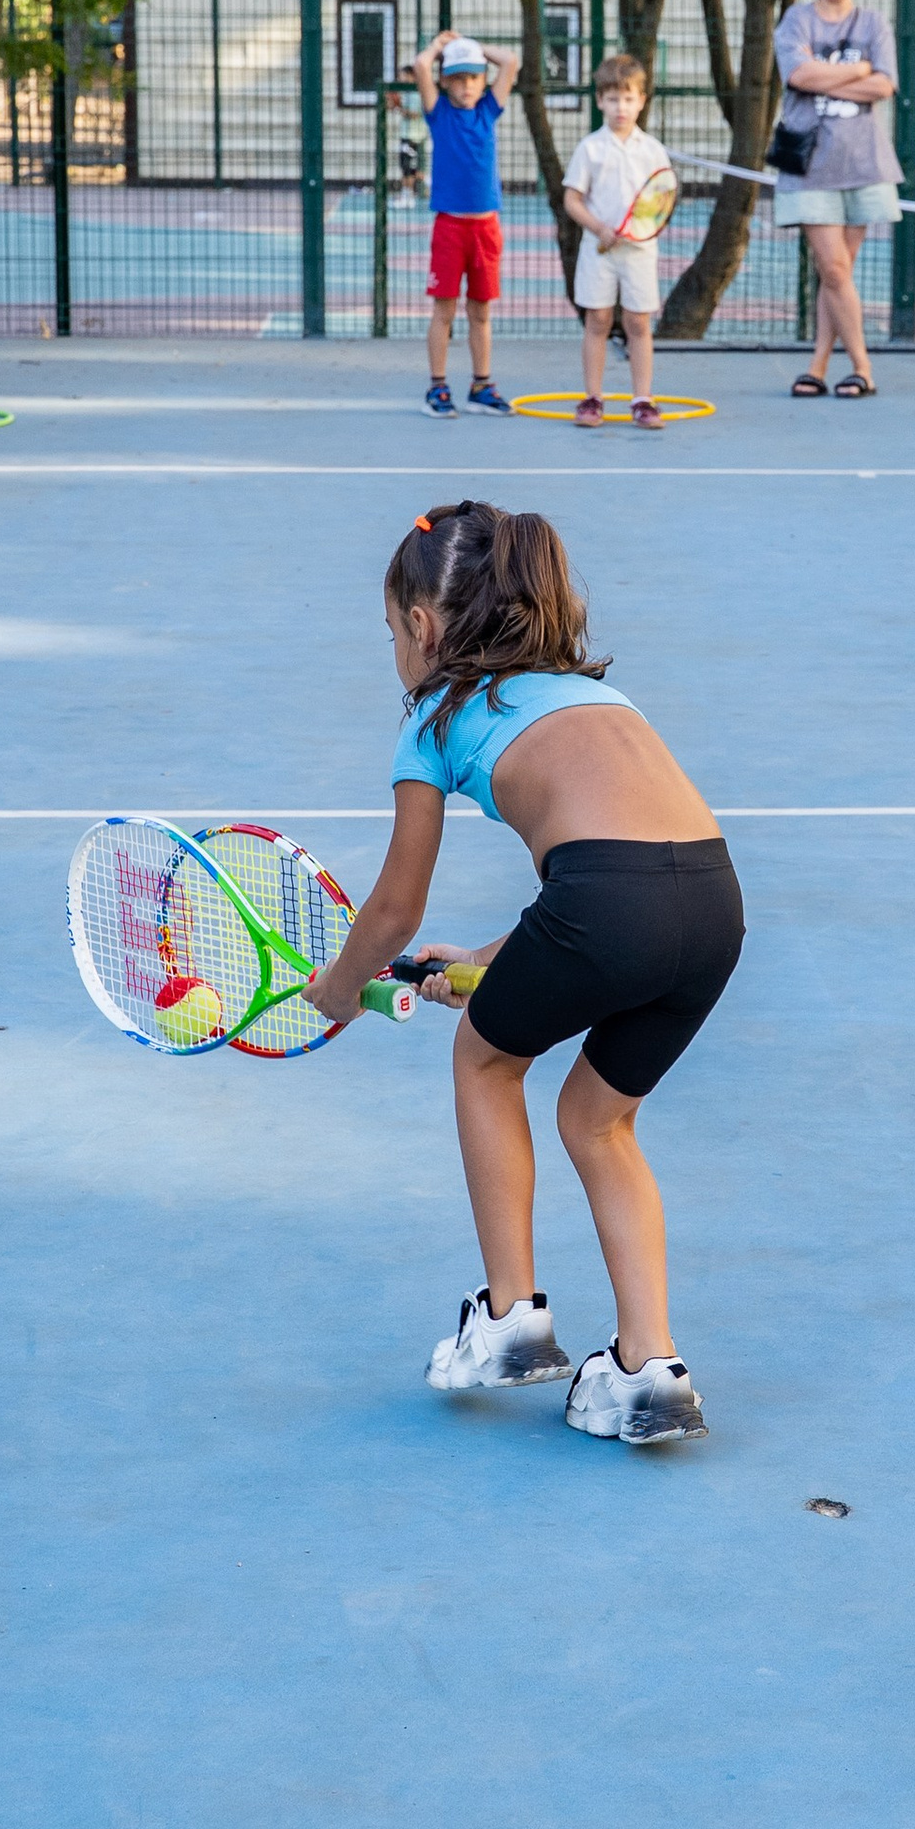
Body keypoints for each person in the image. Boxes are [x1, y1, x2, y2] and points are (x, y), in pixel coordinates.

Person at [307, 501, 743, 1447]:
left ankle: (509, 1315)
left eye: (390, 631)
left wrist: (342, 988)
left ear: (422, 627)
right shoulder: (599, 698)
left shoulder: (433, 715)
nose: (393, 650)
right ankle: (647, 1370)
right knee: (599, 1117)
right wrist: (485, 959)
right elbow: (623, 869)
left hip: (603, 905)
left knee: (484, 1060)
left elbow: (393, 911)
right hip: (712, 906)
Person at [773, 0, 892, 398]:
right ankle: (863, 366)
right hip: (810, 165)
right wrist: (858, 72)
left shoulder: (873, 23)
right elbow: (798, 76)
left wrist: (831, 81)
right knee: (835, 268)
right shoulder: (797, 20)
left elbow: (886, 86)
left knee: (837, 272)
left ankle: (819, 366)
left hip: (863, 161)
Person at [408, 27, 519, 414]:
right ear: (445, 81)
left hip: (486, 228)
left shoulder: (489, 110)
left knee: (481, 310)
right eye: (458, 78)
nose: (467, 85)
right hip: (451, 227)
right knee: (444, 310)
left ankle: (481, 385)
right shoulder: (439, 114)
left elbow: (511, 61)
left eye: (473, 77)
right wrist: (442, 46)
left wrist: (474, 47)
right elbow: (421, 64)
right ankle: (437, 387)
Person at [560, 51, 671, 426]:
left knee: (639, 324)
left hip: (639, 252)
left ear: (641, 101)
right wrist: (600, 228)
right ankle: (592, 398)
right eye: (612, 99)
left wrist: (640, 227)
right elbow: (572, 199)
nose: (620, 107)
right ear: (599, 101)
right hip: (599, 251)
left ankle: (642, 399)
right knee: (598, 320)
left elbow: (661, 200)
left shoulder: (653, 150)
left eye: (628, 98)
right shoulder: (590, 148)